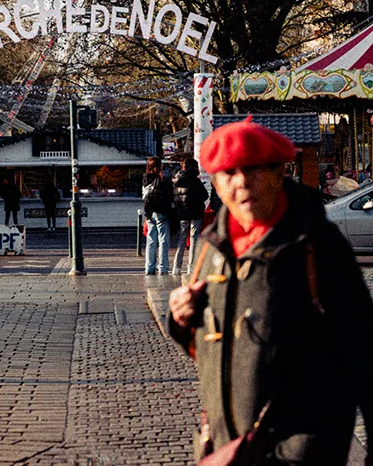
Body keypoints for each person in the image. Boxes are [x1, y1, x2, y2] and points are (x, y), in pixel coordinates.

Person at [168, 117, 373, 465]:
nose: (242, 183)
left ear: (280, 173)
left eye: (254, 169)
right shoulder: (209, 247)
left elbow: (364, 351)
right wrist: (180, 318)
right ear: (215, 184)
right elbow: (203, 343)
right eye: (228, 173)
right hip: (226, 448)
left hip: (300, 451)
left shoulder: (315, 245)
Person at [170, 156, 208, 275]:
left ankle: (176, 267)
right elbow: (204, 195)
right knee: (194, 239)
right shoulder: (194, 179)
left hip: (182, 213)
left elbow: (175, 196)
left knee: (181, 239)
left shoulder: (176, 179)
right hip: (195, 212)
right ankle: (191, 266)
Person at [143, 156, 174, 276]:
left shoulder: (146, 178)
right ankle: (163, 268)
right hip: (162, 212)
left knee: (150, 241)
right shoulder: (162, 179)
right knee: (163, 241)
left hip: (150, 212)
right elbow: (169, 195)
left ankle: (149, 268)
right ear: (159, 166)